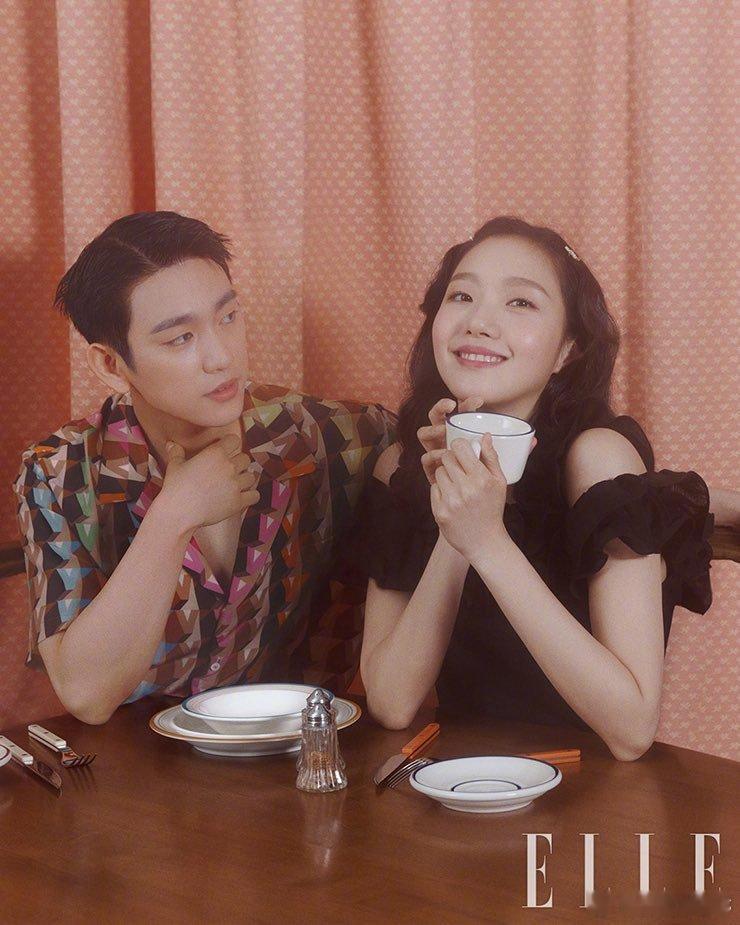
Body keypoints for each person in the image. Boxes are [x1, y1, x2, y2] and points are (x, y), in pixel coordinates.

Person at [357, 216, 715, 761]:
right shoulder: (403, 466)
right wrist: (455, 523)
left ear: (567, 348)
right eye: (461, 296)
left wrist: (487, 542)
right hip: (467, 782)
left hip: (593, 786)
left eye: (520, 302)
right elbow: (391, 702)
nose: (479, 322)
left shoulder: (598, 459)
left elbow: (631, 729)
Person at [14, 212, 393, 724]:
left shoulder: (331, 437)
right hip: (137, 761)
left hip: (309, 751)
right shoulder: (61, 473)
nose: (220, 357)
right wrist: (173, 515)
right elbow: (86, 694)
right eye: (180, 339)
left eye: (228, 317)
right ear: (110, 365)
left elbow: (440, 442)